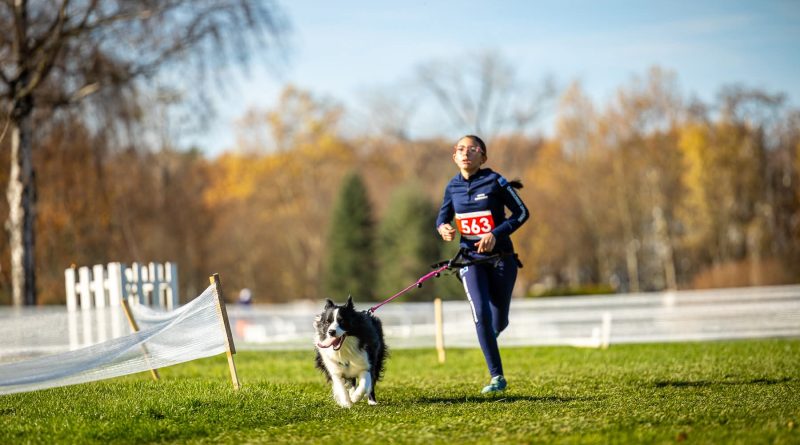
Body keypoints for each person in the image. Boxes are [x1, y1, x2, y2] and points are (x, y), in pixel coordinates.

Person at [436, 135, 529, 394]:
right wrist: (443, 228)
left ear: (483, 157)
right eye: (461, 149)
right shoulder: (451, 187)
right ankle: (497, 377)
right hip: (470, 259)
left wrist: (496, 233)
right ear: (454, 156)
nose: (466, 153)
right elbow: (442, 218)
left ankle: (491, 336)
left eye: (473, 149)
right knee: (481, 314)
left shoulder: (495, 181)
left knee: (499, 320)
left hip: (502, 260)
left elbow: (522, 213)